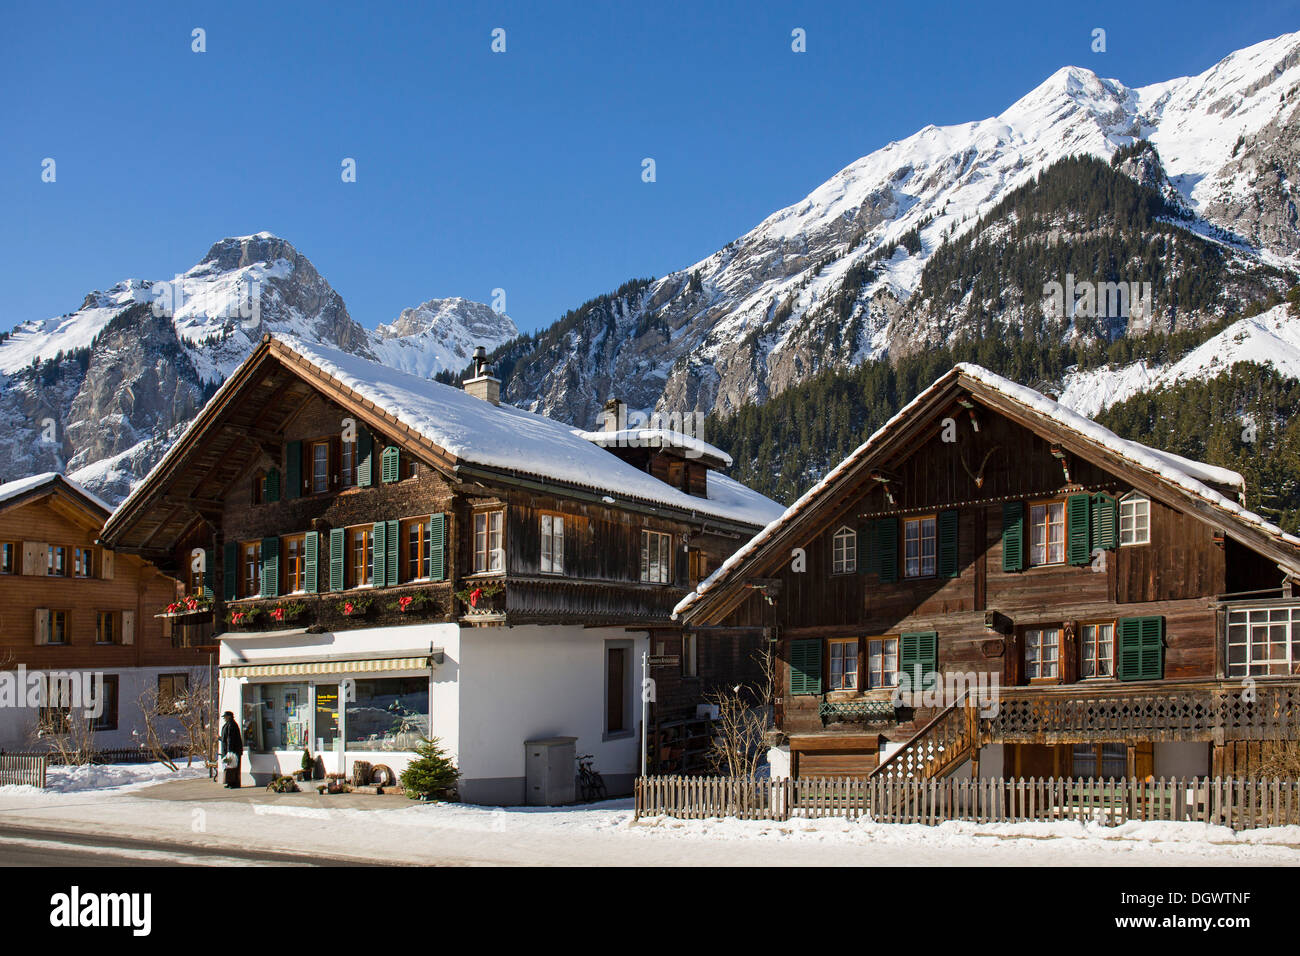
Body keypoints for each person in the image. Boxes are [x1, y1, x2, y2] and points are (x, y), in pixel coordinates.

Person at [218, 711, 243, 788]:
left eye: (225, 717)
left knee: (233, 767)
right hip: (229, 749)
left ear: (229, 716)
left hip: (233, 750)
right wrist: (221, 738)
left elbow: (230, 739)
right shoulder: (228, 724)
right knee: (229, 767)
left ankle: (234, 783)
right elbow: (226, 737)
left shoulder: (232, 725)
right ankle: (230, 782)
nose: (224, 718)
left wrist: (230, 751)